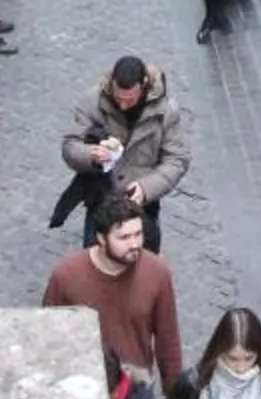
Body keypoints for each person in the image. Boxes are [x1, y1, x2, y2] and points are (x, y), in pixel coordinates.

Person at [43, 195, 183, 391]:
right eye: (124, 237)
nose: (134, 244)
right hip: (83, 385)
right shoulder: (66, 276)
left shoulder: (157, 272)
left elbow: (168, 340)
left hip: (135, 387)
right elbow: (49, 335)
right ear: (101, 238)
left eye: (138, 234)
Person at [57, 55, 195, 252]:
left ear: (143, 87)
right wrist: (91, 154)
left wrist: (146, 189)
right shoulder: (93, 101)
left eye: (129, 100)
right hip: (101, 198)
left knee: (142, 265)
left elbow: (177, 159)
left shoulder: (165, 112)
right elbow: (70, 145)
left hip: (141, 204)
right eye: (118, 98)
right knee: (95, 261)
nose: (122, 105)